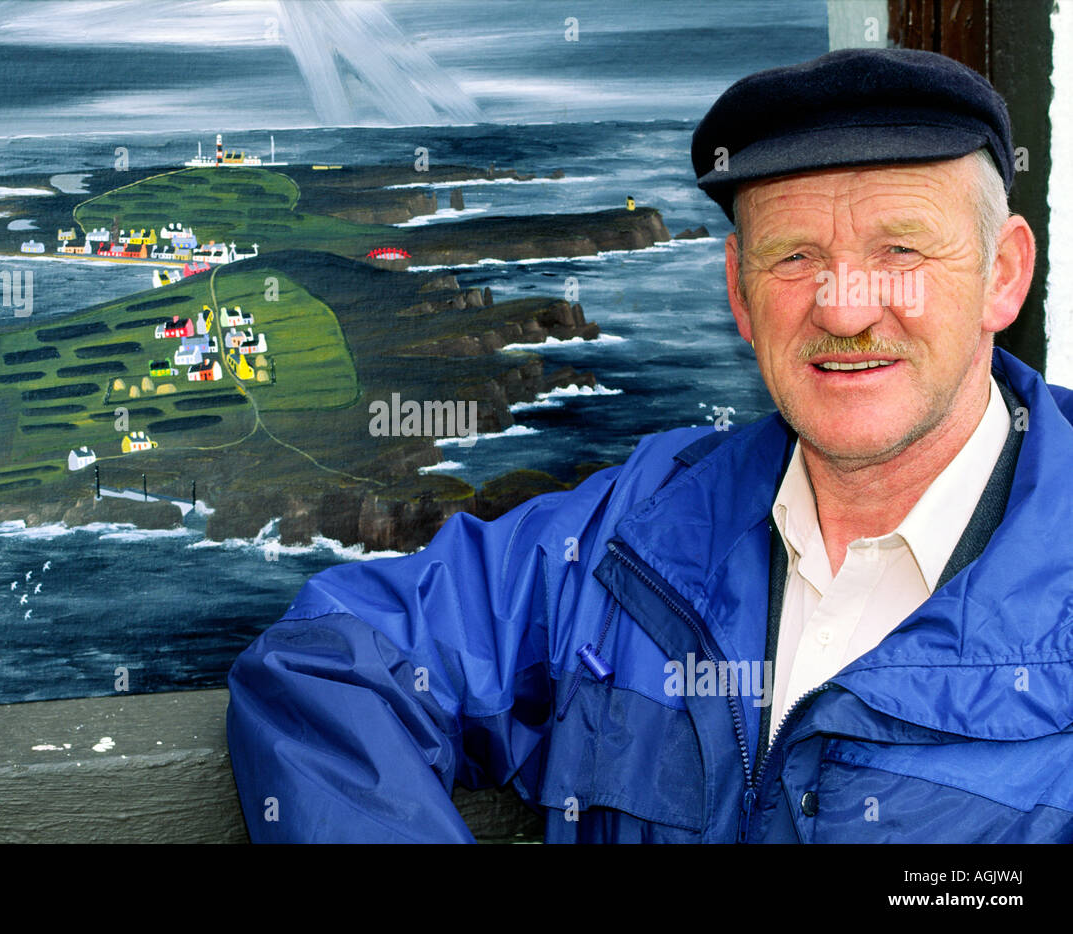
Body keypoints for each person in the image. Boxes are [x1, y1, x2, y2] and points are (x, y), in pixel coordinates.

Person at [226, 48, 1073, 843]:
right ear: (739, 295)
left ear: (1003, 272)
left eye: (899, 250)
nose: (844, 309)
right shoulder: (636, 533)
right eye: (795, 257)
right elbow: (330, 664)